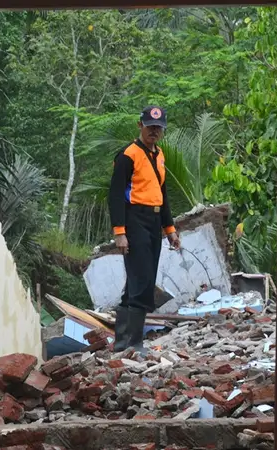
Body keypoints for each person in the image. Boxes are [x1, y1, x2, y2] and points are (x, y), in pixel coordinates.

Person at [109, 105, 181, 354]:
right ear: (140, 125)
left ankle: (121, 342)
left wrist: (169, 228)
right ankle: (135, 343)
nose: (154, 131)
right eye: (150, 126)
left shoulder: (159, 155)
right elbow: (116, 195)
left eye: (158, 128)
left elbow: (162, 194)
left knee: (141, 280)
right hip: (134, 219)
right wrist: (120, 231)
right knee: (142, 279)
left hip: (153, 219)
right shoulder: (127, 155)